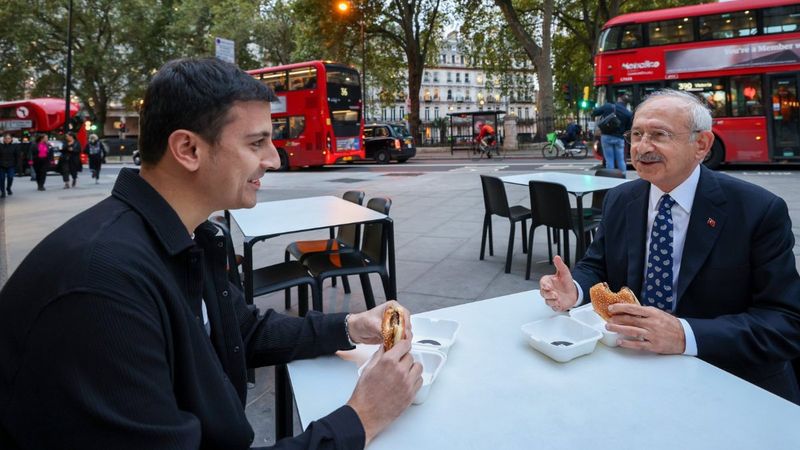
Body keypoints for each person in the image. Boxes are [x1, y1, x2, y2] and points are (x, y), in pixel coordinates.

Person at [0, 57, 422, 449]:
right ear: (188, 150)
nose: (274, 159)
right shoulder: (102, 288)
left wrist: (351, 326)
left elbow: (240, 331)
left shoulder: (189, 235)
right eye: (256, 143)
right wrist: (361, 418)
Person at [539, 89, 800, 404]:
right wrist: (575, 290)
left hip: (729, 381)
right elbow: (597, 265)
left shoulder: (757, 210)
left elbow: (784, 322)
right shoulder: (620, 199)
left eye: (659, 135)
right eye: (636, 135)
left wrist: (684, 334)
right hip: (633, 369)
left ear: (701, 144)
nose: (642, 147)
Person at [591, 93, 632, 174]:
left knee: (609, 159)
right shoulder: (628, 113)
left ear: (619, 99)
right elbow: (628, 129)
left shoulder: (609, 106)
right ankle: (623, 175)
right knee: (621, 160)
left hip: (606, 136)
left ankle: (611, 176)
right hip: (619, 138)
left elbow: (595, 112)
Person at [0, 133, 18, 198]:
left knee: (10, 177)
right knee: (1, 179)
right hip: (1, 165)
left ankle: (8, 188)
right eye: (6, 138)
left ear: (11, 139)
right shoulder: (0, 146)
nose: (7, 140)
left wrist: (17, 165)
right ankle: (3, 192)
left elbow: (17, 156)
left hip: (11, 165)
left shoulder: (14, 146)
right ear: (3, 139)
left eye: (9, 138)